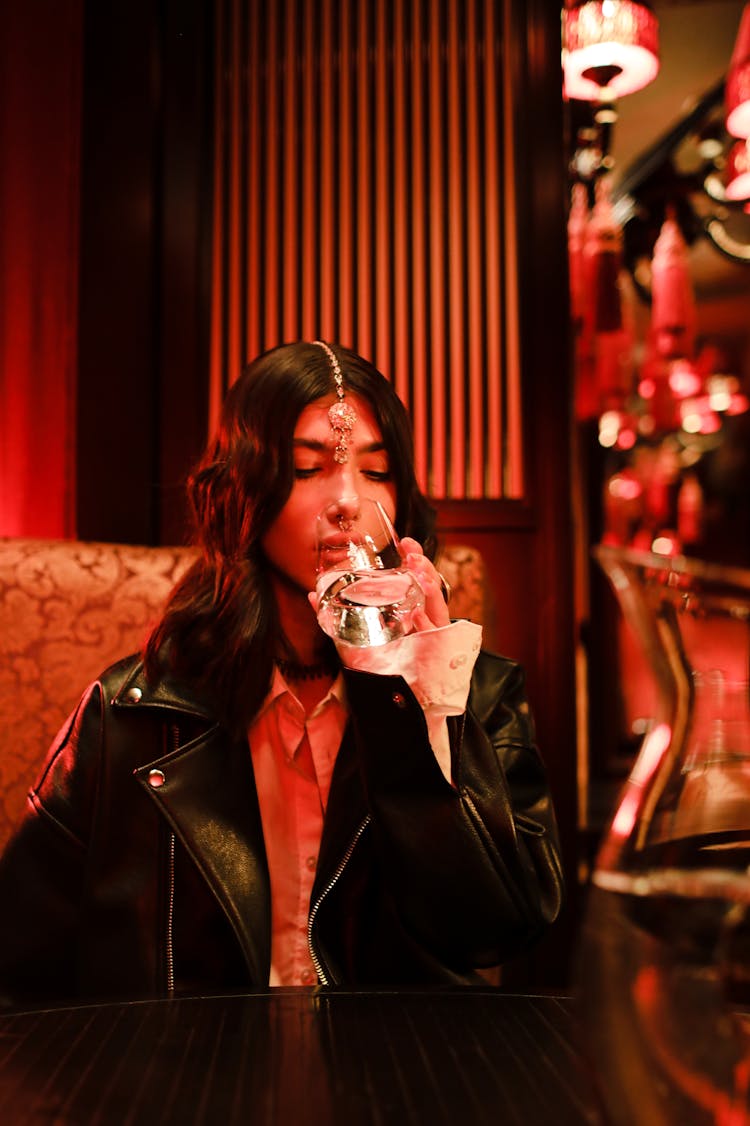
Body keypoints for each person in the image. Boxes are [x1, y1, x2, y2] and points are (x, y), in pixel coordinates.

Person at [0, 341, 564, 1006]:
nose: (347, 500)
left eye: (377, 472)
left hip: (393, 1087)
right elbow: (19, 968)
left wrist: (424, 705)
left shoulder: (477, 692)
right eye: (306, 469)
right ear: (244, 488)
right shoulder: (132, 712)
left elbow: (496, 931)